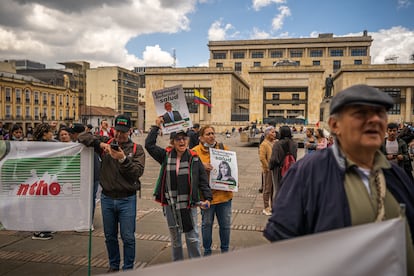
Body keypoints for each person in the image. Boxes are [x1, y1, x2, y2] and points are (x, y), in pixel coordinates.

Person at [263, 84, 414, 273]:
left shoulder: (397, 176)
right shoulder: (308, 173)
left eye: (380, 113)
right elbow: (282, 242)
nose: (375, 119)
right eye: (361, 113)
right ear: (335, 125)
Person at [78, 114, 145, 272]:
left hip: (127, 199)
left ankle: (128, 268)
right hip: (107, 198)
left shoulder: (137, 149)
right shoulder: (107, 143)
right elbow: (82, 136)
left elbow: (136, 172)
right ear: (113, 130)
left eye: (124, 131)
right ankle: (113, 266)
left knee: (128, 237)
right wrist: (100, 144)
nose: (120, 135)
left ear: (130, 131)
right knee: (110, 237)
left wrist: (123, 159)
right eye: (117, 131)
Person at [145, 118, 212, 261]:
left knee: (192, 237)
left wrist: (207, 198)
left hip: (189, 203)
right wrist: (156, 126)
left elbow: (202, 180)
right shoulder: (166, 156)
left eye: (184, 139)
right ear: (172, 142)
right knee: (175, 239)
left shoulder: (194, 158)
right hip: (170, 204)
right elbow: (149, 145)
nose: (181, 142)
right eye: (177, 139)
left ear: (188, 140)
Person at [192, 125, 233, 256]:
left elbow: (231, 166)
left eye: (212, 133)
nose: (211, 136)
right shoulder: (195, 152)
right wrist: (200, 166)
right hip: (206, 197)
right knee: (206, 224)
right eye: (208, 134)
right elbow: (189, 171)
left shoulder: (223, 148)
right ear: (201, 137)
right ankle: (207, 252)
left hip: (224, 196)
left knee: (225, 225)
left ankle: (225, 251)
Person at [31, 123, 56, 240]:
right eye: (50, 131)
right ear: (45, 134)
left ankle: (43, 227)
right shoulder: (41, 145)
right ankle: (38, 231)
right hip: (39, 178)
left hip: (42, 178)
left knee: (42, 204)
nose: (52, 134)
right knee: (39, 204)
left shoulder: (40, 144)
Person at [269, 125, 298, 198]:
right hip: (290, 169)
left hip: (279, 170)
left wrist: (270, 167)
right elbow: (294, 157)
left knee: (278, 190)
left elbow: (274, 159)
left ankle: (277, 207)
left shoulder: (277, 144)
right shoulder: (295, 144)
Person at [259, 126, 276, 216]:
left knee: (273, 189)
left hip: (273, 169)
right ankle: (266, 207)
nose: (274, 134)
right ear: (267, 133)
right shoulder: (264, 144)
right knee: (267, 189)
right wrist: (267, 168)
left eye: (274, 132)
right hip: (268, 170)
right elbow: (262, 158)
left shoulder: (273, 143)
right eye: (272, 132)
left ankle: (273, 207)